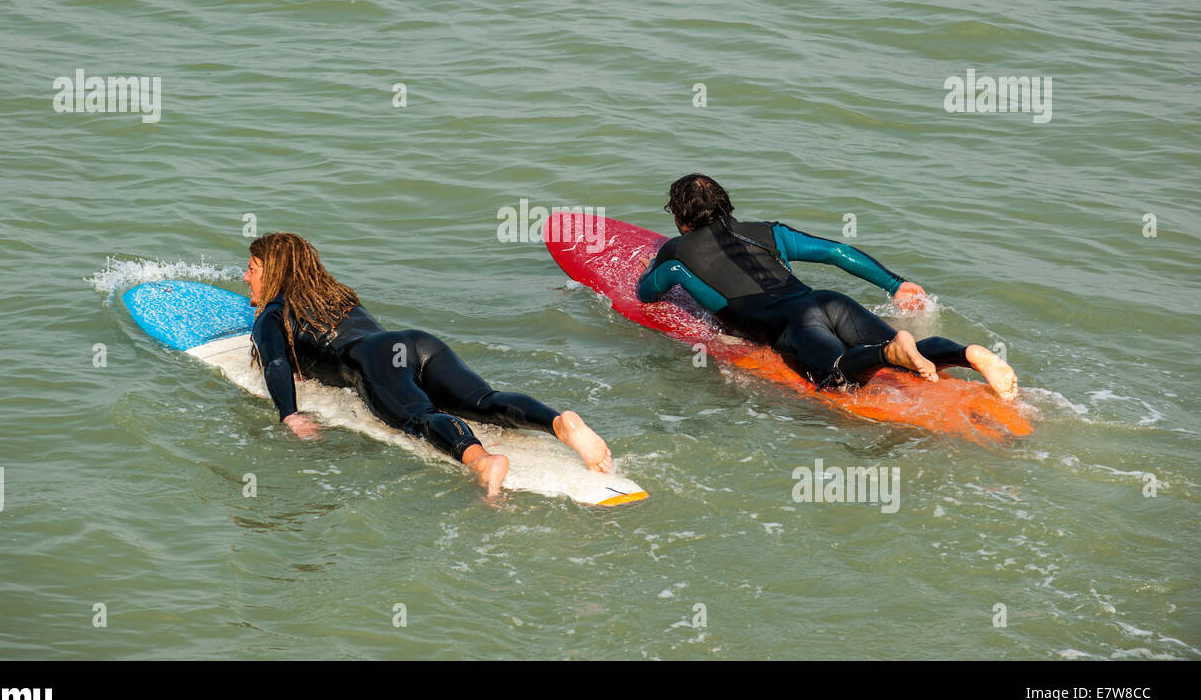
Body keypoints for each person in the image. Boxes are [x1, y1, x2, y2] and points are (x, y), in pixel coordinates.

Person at [242, 232, 611, 498]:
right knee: (483, 400)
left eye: (252, 269)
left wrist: (289, 414)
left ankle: (481, 459)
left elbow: (275, 362)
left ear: (273, 272)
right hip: (414, 342)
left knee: (419, 416)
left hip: (370, 359)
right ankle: (558, 423)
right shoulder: (334, 296)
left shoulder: (273, 314)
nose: (246, 278)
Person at [635, 174, 1018, 400]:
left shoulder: (677, 254)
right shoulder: (768, 233)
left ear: (681, 217)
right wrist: (895, 284)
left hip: (792, 326)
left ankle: (888, 354)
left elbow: (647, 292)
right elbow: (836, 252)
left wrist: (654, 269)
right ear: (726, 205)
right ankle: (968, 354)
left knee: (837, 377)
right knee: (916, 362)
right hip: (827, 302)